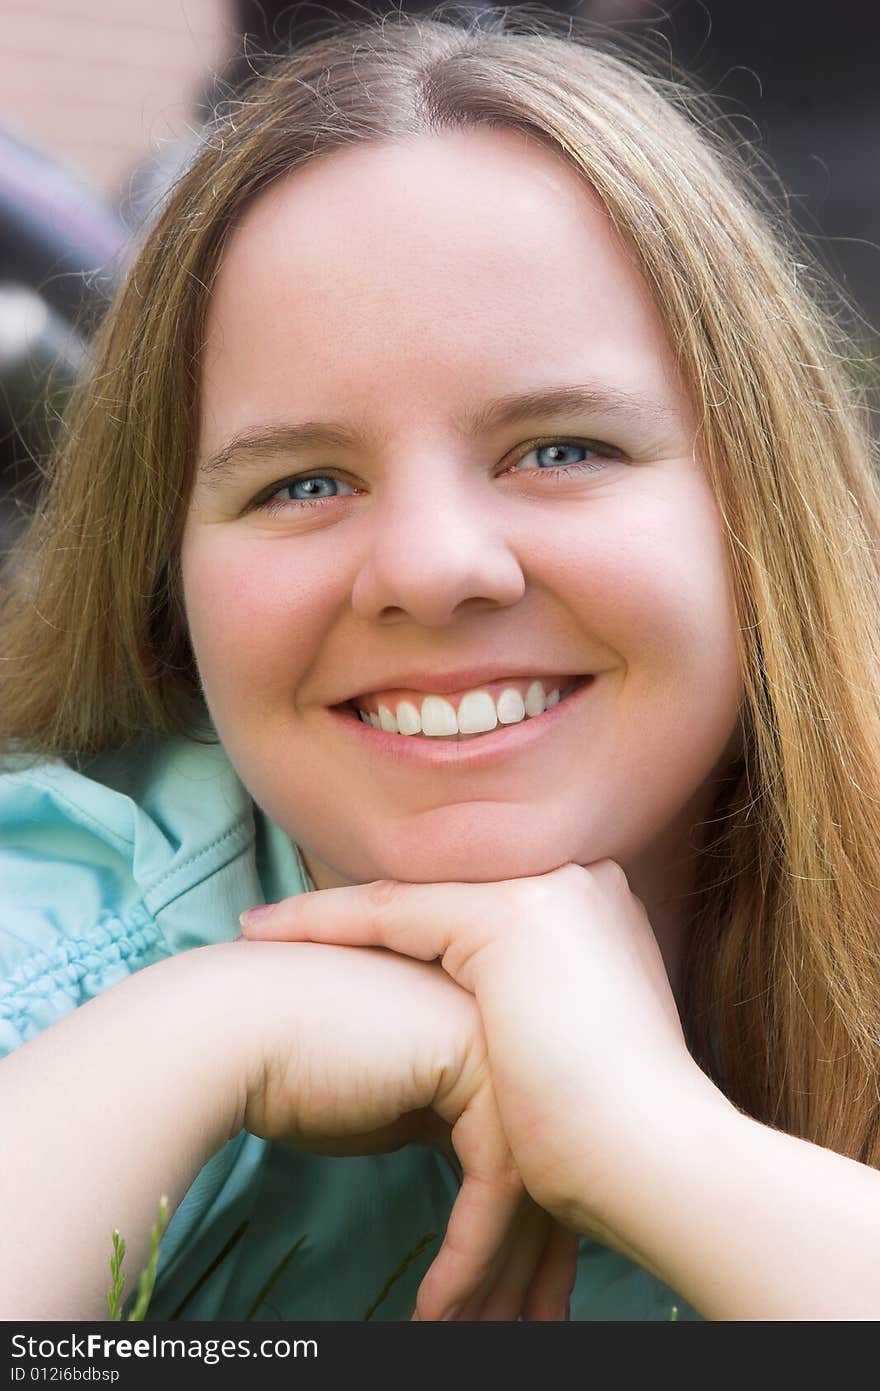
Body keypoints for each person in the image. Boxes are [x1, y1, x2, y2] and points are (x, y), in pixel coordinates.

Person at [3, 5, 880, 1322]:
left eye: (562, 448)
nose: (428, 566)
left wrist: (670, 1155)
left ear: (761, 503)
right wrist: (196, 1037)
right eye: (304, 480)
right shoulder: (48, 946)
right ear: (169, 577)